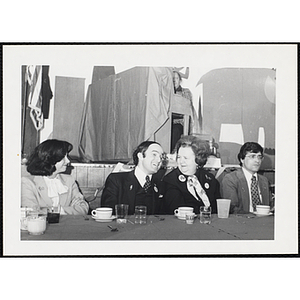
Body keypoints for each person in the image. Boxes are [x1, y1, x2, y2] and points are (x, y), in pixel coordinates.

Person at [21, 139, 89, 215]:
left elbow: (83, 208)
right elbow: (31, 212)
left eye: (67, 157)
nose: (68, 161)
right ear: (49, 159)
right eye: (63, 157)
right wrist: (64, 210)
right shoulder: (27, 183)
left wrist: (48, 210)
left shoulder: (69, 180)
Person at [101, 141, 166, 215]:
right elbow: (107, 214)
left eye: (161, 157)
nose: (159, 160)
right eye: (154, 154)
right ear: (140, 156)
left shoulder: (160, 185)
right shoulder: (116, 180)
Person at [163, 135, 220, 214]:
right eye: (179, 157)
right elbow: (180, 210)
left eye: (185, 158)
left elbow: (217, 208)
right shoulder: (170, 180)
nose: (181, 161)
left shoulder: (210, 179)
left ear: (198, 159)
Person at [220, 142, 271, 214]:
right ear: (242, 159)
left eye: (259, 157)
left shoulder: (264, 180)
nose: (257, 161)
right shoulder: (231, 179)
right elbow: (232, 209)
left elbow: (270, 205)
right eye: (252, 156)